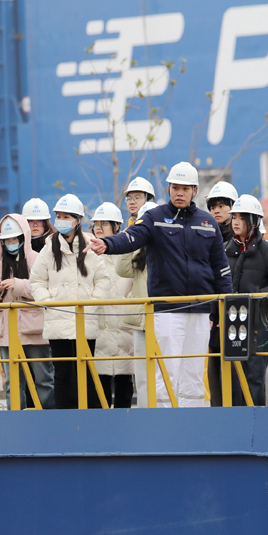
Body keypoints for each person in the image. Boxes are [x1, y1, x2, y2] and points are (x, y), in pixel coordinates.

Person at [87, 161, 231, 408]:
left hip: (200, 310)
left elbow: (221, 269)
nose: (179, 193)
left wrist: (222, 310)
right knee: (166, 370)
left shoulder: (207, 223)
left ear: (195, 190)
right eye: (175, 188)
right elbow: (131, 237)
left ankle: (192, 421)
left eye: (185, 188)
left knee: (194, 372)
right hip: (167, 310)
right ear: (169, 188)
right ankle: (166, 424)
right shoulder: (154, 218)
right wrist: (107, 244)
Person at [31, 195, 110, 408]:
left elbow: (103, 279)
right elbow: (36, 280)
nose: (61, 220)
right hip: (58, 320)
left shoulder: (90, 246)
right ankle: (63, 418)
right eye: (59, 216)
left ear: (78, 220)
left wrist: (93, 302)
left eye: (66, 216)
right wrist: (47, 302)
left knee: (88, 371)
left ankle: (91, 416)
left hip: (86, 319)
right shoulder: (49, 248)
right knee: (62, 373)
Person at [219, 194, 268, 405]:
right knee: (234, 376)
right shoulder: (225, 250)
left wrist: (258, 295)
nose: (236, 222)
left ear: (254, 221)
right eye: (234, 217)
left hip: (259, 323)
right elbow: (217, 282)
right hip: (232, 321)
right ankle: (237, 421)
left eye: (242, 217)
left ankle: (255, 419)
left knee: (255, 376)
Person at [0, 213, 55, 409]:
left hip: (35, 332)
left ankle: (48, 418)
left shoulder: (37, 259)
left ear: (23, 238)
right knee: (12, 384)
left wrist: (19, 285)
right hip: (8, 334)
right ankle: (15, 420)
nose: (10, 244)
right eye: (7, 240)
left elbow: (48, 289)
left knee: (44, 380)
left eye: (14, 239)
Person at [90, 202, 137, 408]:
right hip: (99, 333)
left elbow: (135, 286)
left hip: (124, 334)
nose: (98, 228)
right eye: (96, 224)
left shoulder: (128, 254)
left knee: (124, 391)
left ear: (116, 227)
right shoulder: (88, 256)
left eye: (104, 223)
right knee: (98, 394)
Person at [204, 179, 240, 406]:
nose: (216, 210)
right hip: (212, 316)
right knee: (215, 374)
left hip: (236, 315)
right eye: (212, 206)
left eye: (221, 205)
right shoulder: (205, 236)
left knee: (237, 377)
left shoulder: (243, 239)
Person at [116, 203, 154, 407]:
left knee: (164, 370)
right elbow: (122, 270)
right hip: (141, 320)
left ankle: (164, 412)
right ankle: (146, 412)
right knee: (142, 373)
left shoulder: (171, 248)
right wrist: (130, 237)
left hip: (163, 318)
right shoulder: (139, 250)